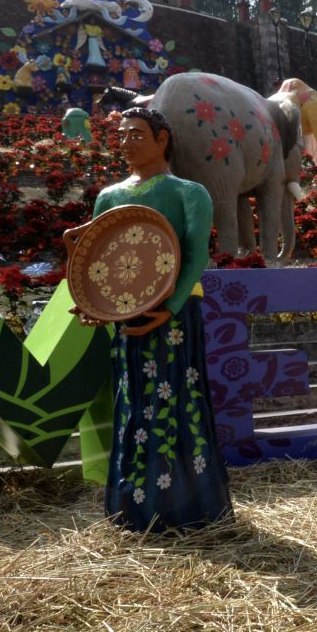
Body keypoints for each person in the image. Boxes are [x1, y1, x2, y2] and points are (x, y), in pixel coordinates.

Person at [86, 107, 232, 531]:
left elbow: (196, 257)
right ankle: (134, 511)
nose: (126, 141)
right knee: (132, 403)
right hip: (126, 317)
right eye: (122, 134)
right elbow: (102, 259)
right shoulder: (108, 196)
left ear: (162, 139)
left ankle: (189, 510)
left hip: (172, 318)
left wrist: (166, 311)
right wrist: (94, 304)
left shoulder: (190, 192)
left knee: (175, 403)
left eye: (137, 134)